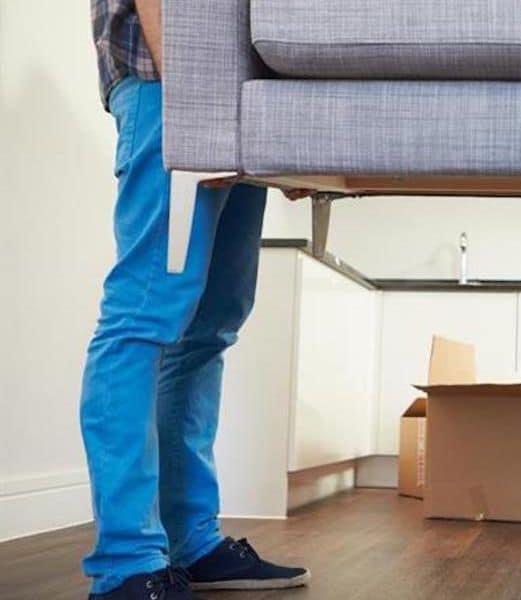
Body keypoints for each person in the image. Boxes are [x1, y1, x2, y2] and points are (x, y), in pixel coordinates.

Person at [83, 2, 309, 598]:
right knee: (144, 317)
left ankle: (193, 543)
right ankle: (127, 562)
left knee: (209, 328)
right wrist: (192, 108)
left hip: (231, 108)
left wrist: (283, 133)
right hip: (169, 90)